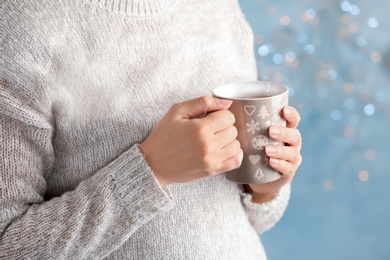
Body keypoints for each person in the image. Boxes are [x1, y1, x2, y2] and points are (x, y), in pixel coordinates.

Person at [0, 0, 302, 259]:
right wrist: (150, 170)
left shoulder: (218, 7)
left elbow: (255, 218)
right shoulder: (24, 24)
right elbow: (7, 246)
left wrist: (263, 188)